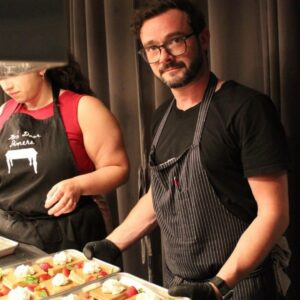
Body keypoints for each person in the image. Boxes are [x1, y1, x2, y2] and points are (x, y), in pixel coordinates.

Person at [83, 0, 290, 299]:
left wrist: (218, 285)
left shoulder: (246, 109)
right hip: (177, 284)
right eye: (152, 48)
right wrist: (113, 243)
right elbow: (162, 193)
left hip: (239, 285)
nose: (164, 57)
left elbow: (274, 214)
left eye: (175, 42)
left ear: (203, 39)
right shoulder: (161, 117)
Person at [0, 54, 129, 253]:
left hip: (70, 235)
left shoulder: (84, 108)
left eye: (13, 74)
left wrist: (78, 185)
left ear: (41, 67)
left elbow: (118, 168)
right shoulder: (3, 112)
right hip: (12, 237)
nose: (6, 85)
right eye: (1, 77)